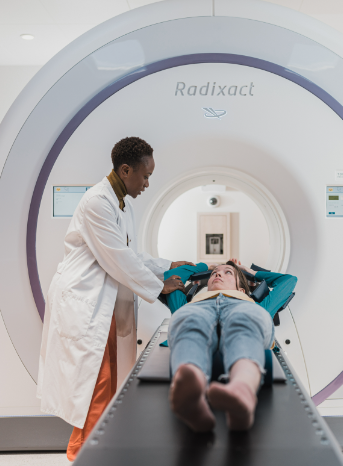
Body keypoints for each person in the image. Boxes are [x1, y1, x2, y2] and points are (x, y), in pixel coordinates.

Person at [36, 137, 193, 461]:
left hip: (100, 304)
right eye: (145, 176)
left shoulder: (121, 204)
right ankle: (85, 453)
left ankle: (89, 449)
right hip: (82, 300)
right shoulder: (97, 202)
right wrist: (159, 285)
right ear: (125, 170)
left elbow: (129, 254)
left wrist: (166, 265)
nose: (148, 183)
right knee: (96, 381)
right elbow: (118, 258)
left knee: (103, 379)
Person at [164, 259, 297, 432]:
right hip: (199, 310)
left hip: (240, 308)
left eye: (228, 272)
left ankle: (242, 391)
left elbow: (289, 281)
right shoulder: (189, 305)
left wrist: (249, 271)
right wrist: (206, 266)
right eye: (214, 274)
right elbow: (172, 276)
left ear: (242, 289)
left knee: (244, 324)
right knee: (191, 324)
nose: (218, 274)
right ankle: (192, 393)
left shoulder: (253, 304)